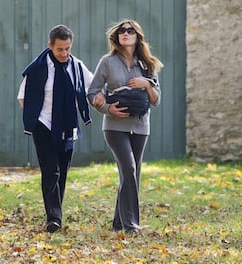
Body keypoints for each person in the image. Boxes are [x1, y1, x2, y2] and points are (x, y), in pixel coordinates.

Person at [87, 19, 163, 234]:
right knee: (128, 169)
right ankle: (131, 225)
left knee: (132, 173)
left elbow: (156, 100)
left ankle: (118, 222)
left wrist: (146, 83)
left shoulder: (147, 64)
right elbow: (93, 92)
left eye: (130, 31)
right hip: (114, 126)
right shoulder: (107, 62)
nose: (125, 34)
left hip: (140, 126)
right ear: (117, 36)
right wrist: (106, 108)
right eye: (122, 31)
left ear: (138, 36)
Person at [17, 25, 93, 233]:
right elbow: (23, 97)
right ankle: (54, 218)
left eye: (67, 48)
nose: (64, 53)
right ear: (50, 45)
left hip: (68, 127)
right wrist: (37, 118)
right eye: (60, 49)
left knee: (62, 172)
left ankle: (55, 210)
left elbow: (93, 87)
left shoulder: (76, 66)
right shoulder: (37, 69)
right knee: (51, 171)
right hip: (45, 126)